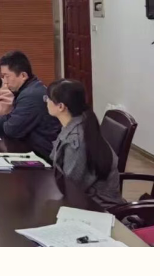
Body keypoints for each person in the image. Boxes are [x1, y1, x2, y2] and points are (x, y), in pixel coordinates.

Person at [45, 79, 126, 209]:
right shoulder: (78, 123)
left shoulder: (77, 140)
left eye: (48, 99)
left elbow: (71, 187)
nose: (46, 102)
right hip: (82, 201)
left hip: (97, 208)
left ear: (61, 107)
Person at [0, 51, 61, 159]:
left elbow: (12, 129)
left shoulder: (31, 95)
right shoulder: (28, 89)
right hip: (30, 149)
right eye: (3, 76)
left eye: (7, 76)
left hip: (42, 155)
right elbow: (10, 118)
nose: (5, 82)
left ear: (23, 75)